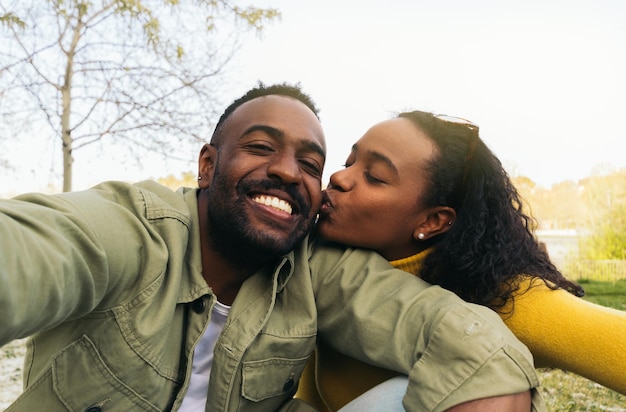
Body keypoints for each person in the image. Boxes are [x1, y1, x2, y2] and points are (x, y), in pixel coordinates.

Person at [0, 83, 543, 412]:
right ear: (208, 165)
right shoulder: (135, 231)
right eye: (261, 147)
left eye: (311, 164)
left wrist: (491, 372)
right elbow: (37, 248)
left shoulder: (314, 265)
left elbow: (445, 330)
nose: (289, 171)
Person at [296, 110, 626, 411]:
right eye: (349, 161)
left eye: (375, 176)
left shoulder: (505, 299)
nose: (339, 178)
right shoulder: (325, 267)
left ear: (433, 221)